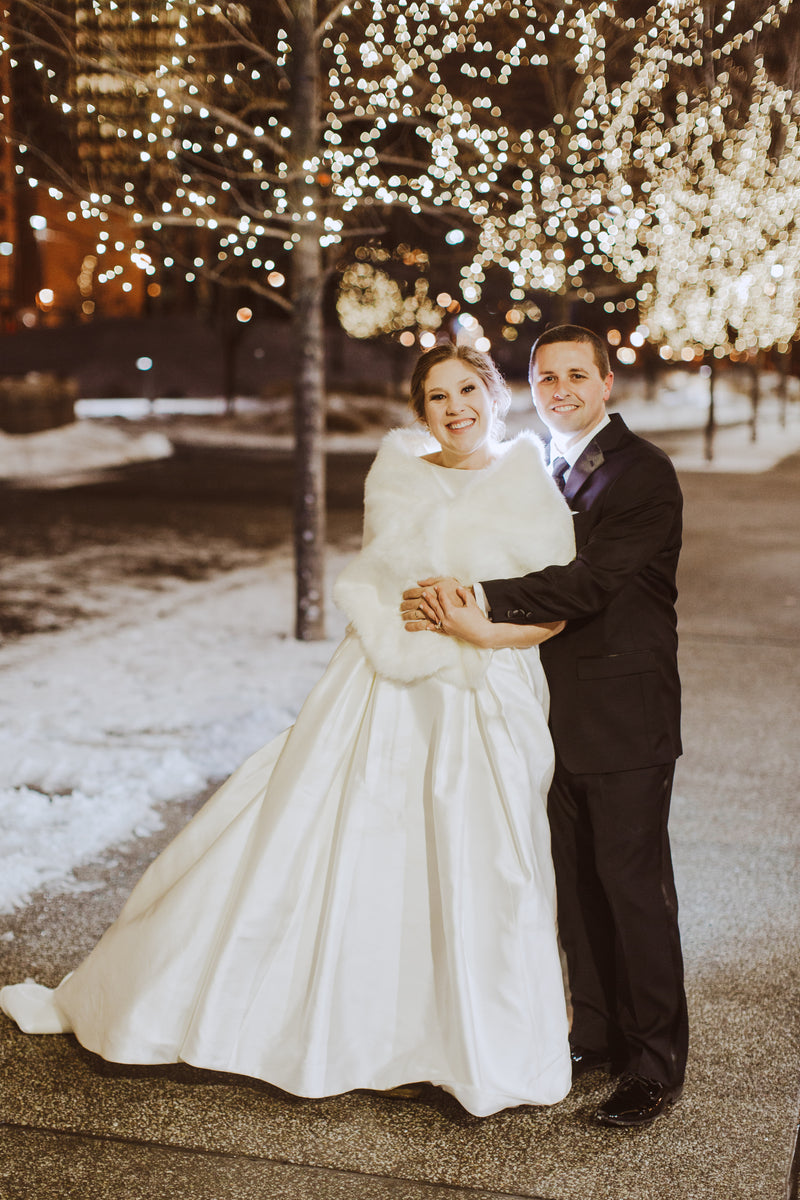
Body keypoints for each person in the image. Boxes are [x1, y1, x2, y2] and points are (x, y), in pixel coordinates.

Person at [1, 344, 577, 1119]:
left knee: (481, 857)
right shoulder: (399, 474)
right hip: (382, 681)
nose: (455, 408)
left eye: (468, 389)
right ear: (419, 410)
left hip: (486, 690)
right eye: (437, 396)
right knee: (351, 844)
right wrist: (404, 616)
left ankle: (466, 1040)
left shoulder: (527, 479)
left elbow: (553, 611)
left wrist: (479, 632)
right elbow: (378, 579)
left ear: (495, 397)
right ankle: (362, 1029)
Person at [401, 325, 689, 1128]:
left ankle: (655, 1063)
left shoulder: (642, 474)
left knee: (632, 891)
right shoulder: (545, 465)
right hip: (547, 713)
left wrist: (473, 597)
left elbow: (590, 583)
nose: (559, 390)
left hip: (623, 718)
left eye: (575, 376)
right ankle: (593, 1033)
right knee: (573, 890)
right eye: (545, 378)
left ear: (606, 383)